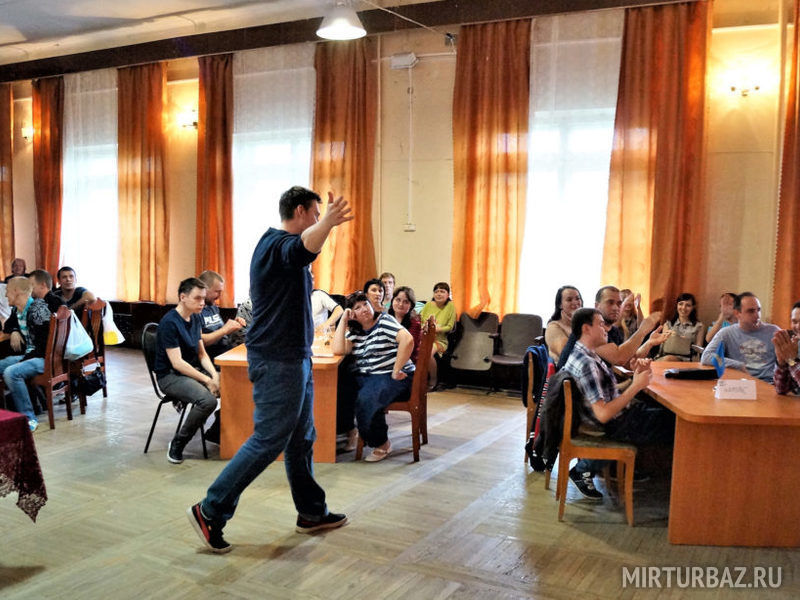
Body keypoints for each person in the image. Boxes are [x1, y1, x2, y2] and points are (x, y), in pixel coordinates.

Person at [188, 186, 352, 554]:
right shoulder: (276, 246)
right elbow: (304, 247)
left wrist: (323, 223)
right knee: (269, 439)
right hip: (278, 360)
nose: (318, 220)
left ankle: (311, 512)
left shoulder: (282, 248)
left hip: (295, 358)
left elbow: (304, 249)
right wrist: (328, 223)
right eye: (315, 214)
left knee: (301, 438)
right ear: (300, 211)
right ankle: (210, 510)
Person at [561, 308, 673, 500]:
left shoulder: (587, 353)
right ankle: (584, 467)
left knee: (665, 414)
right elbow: (603, 414)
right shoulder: (587, 363)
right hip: (614, 424)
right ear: (586, 329)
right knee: (674, 422)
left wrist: (633, 380)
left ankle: (587, 466)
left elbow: (607, 391)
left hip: (619, 417)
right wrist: (635, 386)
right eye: (600, 324)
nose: (606, 328)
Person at [332, 292, 415, 462]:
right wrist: (343, 320)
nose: (364, 309)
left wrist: (396, 369)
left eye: (365, 304)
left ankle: (382, 443)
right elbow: (338, 349)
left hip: (395, 375)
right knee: (339, 387)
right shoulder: (357, 331)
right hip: (369, 375)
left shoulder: (384, 321)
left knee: (366, 398)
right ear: (353, 314)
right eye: (357, 307)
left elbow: (407, 340)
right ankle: (348, 430)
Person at [154, 277, 220, 464]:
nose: (202, 302)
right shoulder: (170, 323)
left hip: (191, 371)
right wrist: (208, 381)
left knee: (232, 386)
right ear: (183, 297)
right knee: (207, 401)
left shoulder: (196, 317)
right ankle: (178, 443)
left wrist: (214, 375)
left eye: (203, 298)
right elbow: (177, 363)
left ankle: (216, 433)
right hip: (170, 376)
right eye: (197, 298)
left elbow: (202, 354)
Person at [556, 285, 666, 371]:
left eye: (619, 304)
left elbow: (628, 361)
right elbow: (619, 358)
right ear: (596, 305)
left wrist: (649, 343)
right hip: (576, 392)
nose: (615, 308)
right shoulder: (589, 328)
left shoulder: (613, 331)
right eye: (610, 302)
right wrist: (643, 330)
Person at [0, 277, 51, 431]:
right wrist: (15, 330)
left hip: (44, 358)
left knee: (11, 372)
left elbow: (45, 346)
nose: (6, 295)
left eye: (8, 291)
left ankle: (29, 419)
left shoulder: (38, 310)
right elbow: (7, 327)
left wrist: (22, 361)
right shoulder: (18, 310)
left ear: (17, 291)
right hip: (31, 355)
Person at [701, 292, 780, 383]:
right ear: (737, 313)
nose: (757, 315)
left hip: (768, 383)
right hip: (741, 383)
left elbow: (789, 361)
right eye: (751, 311)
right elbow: (706, 357)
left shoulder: (774, 331)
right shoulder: (726, 333)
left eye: (758, 310)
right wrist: (737, 365)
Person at [197, 270, 245, 360]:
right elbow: (200, 341)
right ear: (204, 289)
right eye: (217, 291)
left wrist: (233, 325)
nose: (219, 295)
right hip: (211, 356)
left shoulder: (212, 306)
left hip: (226, 350)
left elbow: (219, 332)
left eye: (220, 291)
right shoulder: (195, 310)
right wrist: (225, 329)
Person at [419, 281, 457, 388]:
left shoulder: (451, 306)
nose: (439, 294)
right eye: (436, 291)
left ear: (448, 294)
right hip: (424, 337)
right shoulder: (428, 305)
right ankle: (419, 380)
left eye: (442, 291)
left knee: (428, 352)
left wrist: (436, 329)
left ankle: (433, 379)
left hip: (439, 340)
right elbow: (421, 321)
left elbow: (450, 327)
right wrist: (424, 327)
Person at [654, 293, 705, 361]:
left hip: (687, 360)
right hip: (666, 357)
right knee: (667, 358)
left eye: (688, 305)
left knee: (668, 359)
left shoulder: (699, 326)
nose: (683, 308)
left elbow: (698, 349)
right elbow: (663, 345)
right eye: (681, 304)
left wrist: (685, 342)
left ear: (692, 308)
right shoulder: (668, 324)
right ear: (677, 305)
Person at [544, 285, 582, 363]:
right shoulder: (553, 327)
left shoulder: (586, 322)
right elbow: (568, 354)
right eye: (569, 300)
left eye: (577, 298)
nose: (575, 302)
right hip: (568, 367)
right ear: (560, 305)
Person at [388, 286, 421, 363]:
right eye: (398, 300)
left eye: (406, 302)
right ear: (392, 300)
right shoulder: (386, 319)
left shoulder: (415, 324)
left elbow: (409, 349)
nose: (400, 304)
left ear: (411, 306)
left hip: (406, 362)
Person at [773, 300, 800, 395]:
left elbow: (792, 362)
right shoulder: (795, 345)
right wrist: (782, 364)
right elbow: (781, 389)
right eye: (794, 322)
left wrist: (792, 361)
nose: (798, 326)